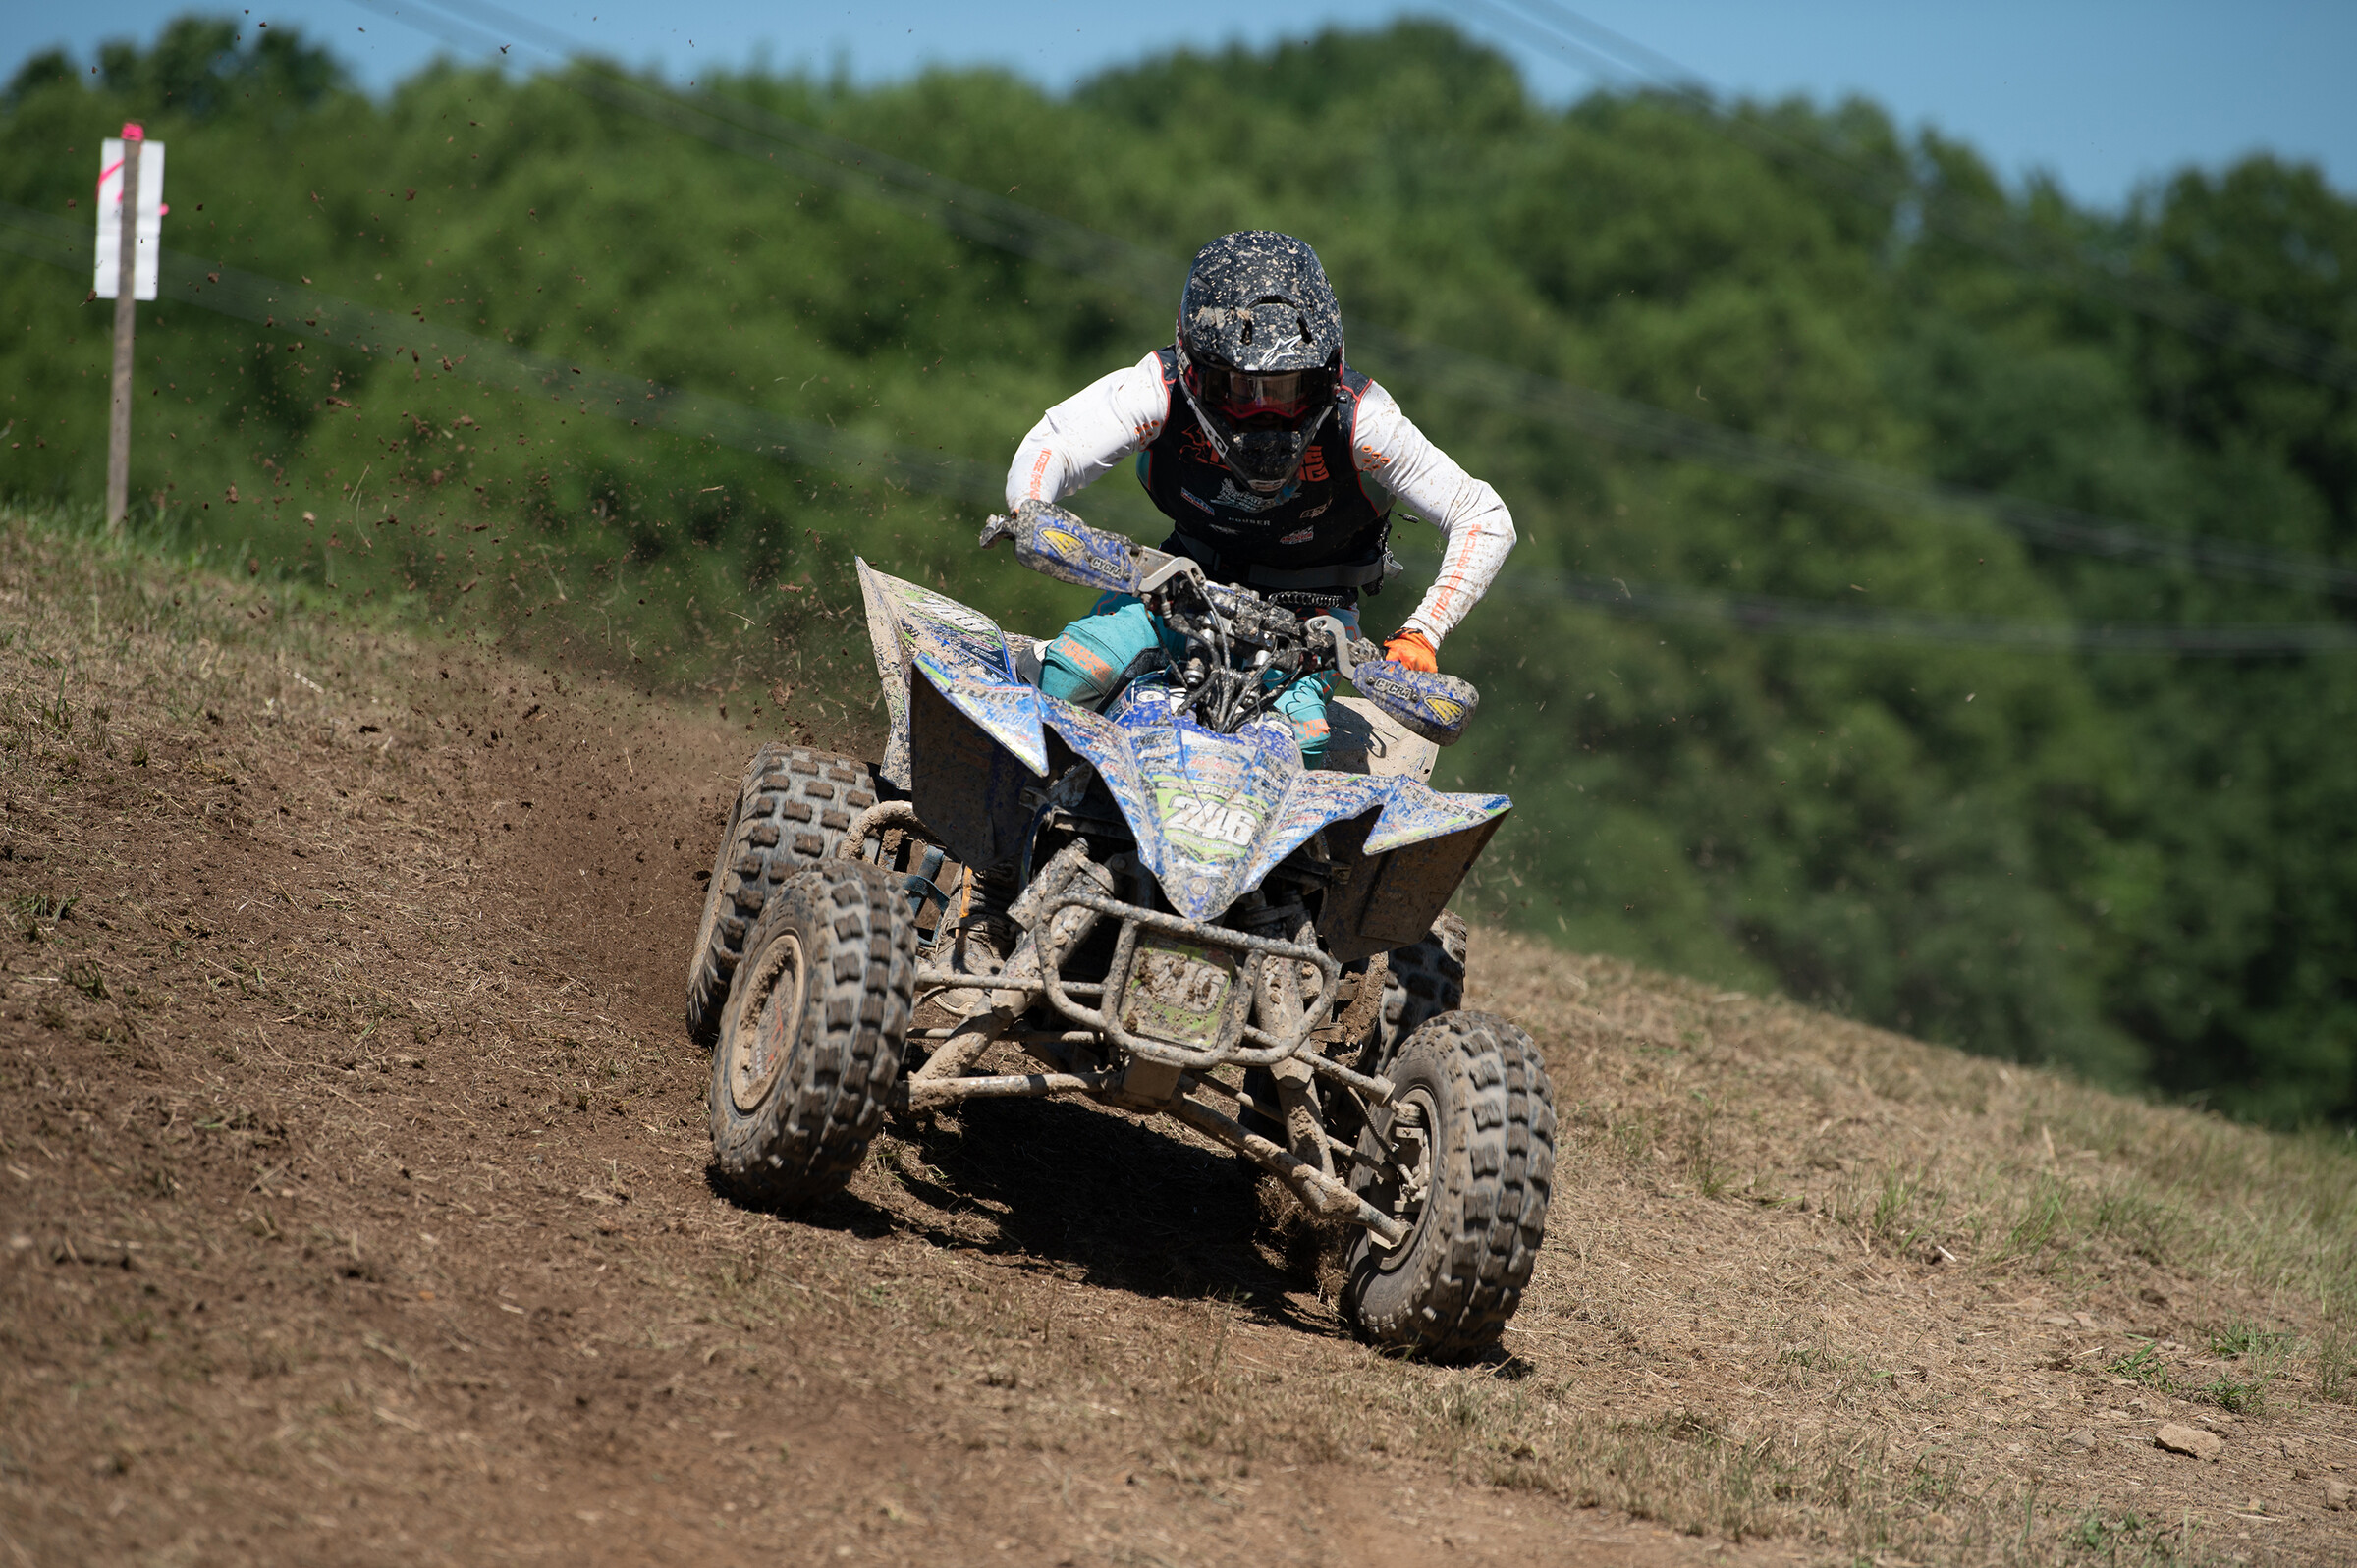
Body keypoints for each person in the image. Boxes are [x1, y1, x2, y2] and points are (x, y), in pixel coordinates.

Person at [1004, 230, 1515, 764]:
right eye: (1239, 387)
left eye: (1289, 386)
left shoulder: (1364, 421)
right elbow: (1053, 447)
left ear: (1325, 374)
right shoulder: (1156, 391)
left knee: (1304, 745)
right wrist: (1034, 512)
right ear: (1194, 366)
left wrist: (1421, 633)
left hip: (1310, 633)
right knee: (1071, 674)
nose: (1265, 408)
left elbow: (1483, 515)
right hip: (1175, 591)